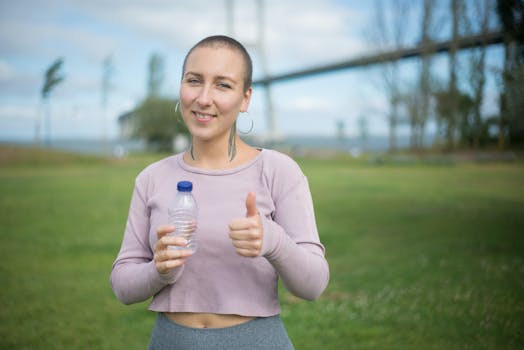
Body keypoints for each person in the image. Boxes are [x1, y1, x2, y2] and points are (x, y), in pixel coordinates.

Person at [110, 35, 329, 350]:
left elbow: (314, 285)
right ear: (181, 87)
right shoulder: (152, 178)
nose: (203, 98)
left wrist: (273, 240)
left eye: (223, 85)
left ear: (245, 99)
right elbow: (122, 286)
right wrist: (158, 272)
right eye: (194, 81)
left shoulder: (279, 171)